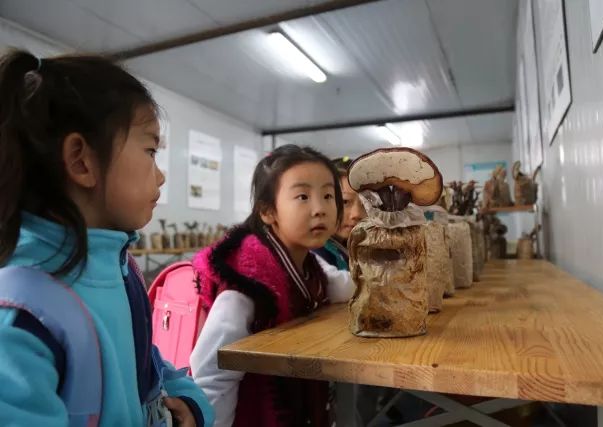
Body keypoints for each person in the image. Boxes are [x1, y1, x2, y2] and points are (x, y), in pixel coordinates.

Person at [0, 50, 213, 426]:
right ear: (81, 161)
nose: (161, 175)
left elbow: (141, 359)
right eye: (150, 150)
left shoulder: (121, 268)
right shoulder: (21, 318)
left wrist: (188, 399)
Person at [190, 145, 354, 427]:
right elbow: (213, 375)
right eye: (303, 197)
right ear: (267, 211)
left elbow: (338, 285)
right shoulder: (248, 285)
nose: (319, 209)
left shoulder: (307, 264)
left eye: (328, 196)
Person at [314, 156, 366, 271]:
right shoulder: (315, 254)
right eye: (345, 202)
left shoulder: (355, 250)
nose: (356, 214)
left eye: (366, 204)